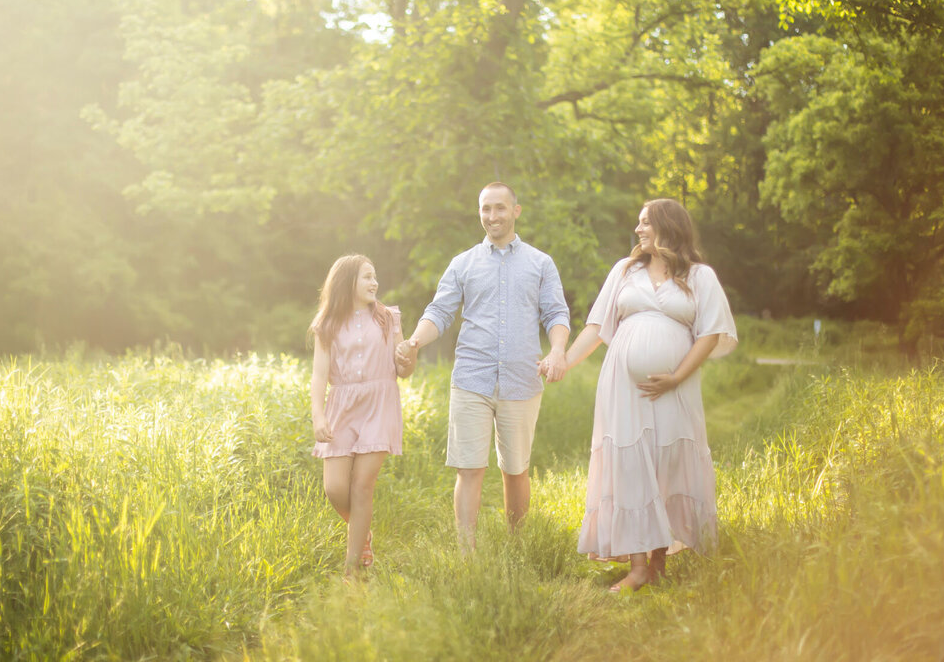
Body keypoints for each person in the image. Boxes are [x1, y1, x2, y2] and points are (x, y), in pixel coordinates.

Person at [561, 198, 736, 592]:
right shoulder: (625, 271)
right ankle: (637, 567)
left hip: (676, 387)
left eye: (645, 223)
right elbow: (597, 328)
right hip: (624, 388)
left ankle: (657, 563)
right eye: (638, 224)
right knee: (629, 466)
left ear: (667, 226)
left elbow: (709, 335)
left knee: (667, 463)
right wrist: (564, 363)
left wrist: (675, 377)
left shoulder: (699, 276)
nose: (638, 230)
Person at [395, 182, 570, 550]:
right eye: (486, 209)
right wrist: (412, 342)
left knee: (516, 470)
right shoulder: (463, 264)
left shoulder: (540, 263)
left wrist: (557, 351)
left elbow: (556, 313)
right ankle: (466, 555)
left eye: (500, 208)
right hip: (471, 378)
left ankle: (516, 547)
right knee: (469, 468)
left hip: (522, 379)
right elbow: (439, 313)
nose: (492, 216)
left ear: (516, 211)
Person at [310, 254, 414, 577]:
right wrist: (318, 416)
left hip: (379, 404)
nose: (375, 283)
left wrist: (408, 357)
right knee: (335, 488)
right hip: (341, 406)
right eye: (367, 277)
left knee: (362, 486)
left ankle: (352, 570)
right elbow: (318, 375)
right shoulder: (327, 324)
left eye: (375, 276)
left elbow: (403, 370)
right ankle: (362, 531)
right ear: (347, 283)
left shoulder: (388, 318)